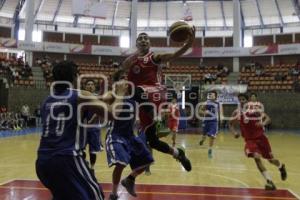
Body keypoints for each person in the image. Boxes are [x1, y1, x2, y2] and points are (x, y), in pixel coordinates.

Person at [35, 61, 127, 200]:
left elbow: (94, 101)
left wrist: (108, 96)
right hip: (67, 159)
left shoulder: (47, 101)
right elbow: (113, 114)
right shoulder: (80, 95)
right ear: (74, 77)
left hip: (43, 162)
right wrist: (120, 94)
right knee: (96, 196)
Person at [121, 29, 195, 172]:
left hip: (155, 93)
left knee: (136, 90)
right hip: (143, 101)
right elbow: (122, 68)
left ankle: (158, 117)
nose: (143, 40)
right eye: (140, 38)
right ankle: (179, 154)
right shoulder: (132, 60)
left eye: (146, 38)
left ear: (149, 43)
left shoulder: (154, 57)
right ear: (136, 44)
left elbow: (174, 55)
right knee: (153, 141)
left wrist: (189, 43)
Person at [105, 69, 154, 200]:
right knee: (121, 163)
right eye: (122, 78)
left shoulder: (134, 98)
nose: (126, 80)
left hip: (130, 136)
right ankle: (113, 194)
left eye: (127, 78)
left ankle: (130, 179)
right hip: (115, 135)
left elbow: (138, 115)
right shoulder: (113, 95)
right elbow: (102, 100)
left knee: (147, 161)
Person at [229, 93, 287, 190]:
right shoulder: (236, 113)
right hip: (249, 140)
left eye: (243, 99)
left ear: (247, 101)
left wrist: (263, 123)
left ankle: (281, 167)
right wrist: (234, 133)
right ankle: (269, 181)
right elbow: (230, 124)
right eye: (240, 100)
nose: (241, 101)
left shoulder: (255, 110)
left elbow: (268, 119)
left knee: (271, 160)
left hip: (261, 138)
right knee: (256, 158)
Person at [82, 80, 104, 173]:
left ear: (94, 87)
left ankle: (92, 168)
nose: (90, 86)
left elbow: (98, 112)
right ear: (85, 86)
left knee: (93, 150)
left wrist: (90, 121)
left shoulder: (97, 98)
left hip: (94, 127)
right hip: (83, 128)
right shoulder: (82, 97)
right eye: (88, 84)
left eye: (92, 84)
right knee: (80, 148)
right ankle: (83, 164)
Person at [199, 91, 219, 159]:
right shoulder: (206, 103)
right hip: (206, 121)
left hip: (214, 122)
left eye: (212, 95)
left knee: (212, 136)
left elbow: (219, 112)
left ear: (215, 96)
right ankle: (202, 140)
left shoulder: (217, 103)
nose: (211, 96)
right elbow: (200, 111)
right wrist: (205, 112)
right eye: (210, 95)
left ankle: (210, 150)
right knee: (204, 135)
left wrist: (221, 117)